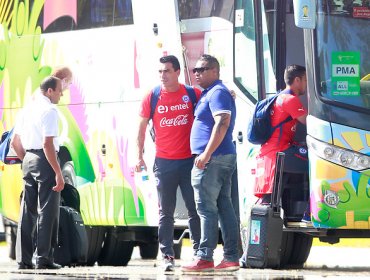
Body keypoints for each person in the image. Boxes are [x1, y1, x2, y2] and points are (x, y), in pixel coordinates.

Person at [135, 55, 201, 272]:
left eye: (167, 71)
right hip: (164, 163)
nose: (163, 76)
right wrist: (139, 156)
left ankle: (200, 254)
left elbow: (212, 111)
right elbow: (142, 128)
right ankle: (167, 256)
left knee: (195, 209)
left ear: (178, 72)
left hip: (189, 161)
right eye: (160, 72)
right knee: (166, 211)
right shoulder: (152, 96)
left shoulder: (192, 94)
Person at [181, 54, 239, 272]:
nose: (197, 73)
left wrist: (205, 154)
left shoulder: (217, 92)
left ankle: (205, 257)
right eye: (195, 70)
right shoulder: (213, 92)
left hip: (213, 159)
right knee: (224, 206)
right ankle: (231, 257)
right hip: (220, 157)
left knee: (205, 208)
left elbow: (222, 122)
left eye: (202, 69)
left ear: (215, 71)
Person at [11, 76, 65, 270]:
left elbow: (14, 143)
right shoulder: (49, 110)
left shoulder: (27, 109)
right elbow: (47, 143)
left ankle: (23, 260)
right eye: (59, 90)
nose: (62, 94)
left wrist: (27, 160)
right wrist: (58, 172)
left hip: (28, 160)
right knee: (48, 211)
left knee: (27, 211)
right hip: (45, 160)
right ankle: (44, 258)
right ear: (49, 91)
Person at [253, 64, 309, 219]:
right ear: (297, 80)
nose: (307, 84)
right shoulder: (290, 99)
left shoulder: (280, 97)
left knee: (269, 201)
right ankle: (310, 211)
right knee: (319, 162)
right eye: (305, 80)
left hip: (272, 154)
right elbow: (309, 122)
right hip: (280, 153)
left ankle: (297, 212)